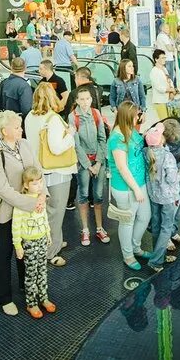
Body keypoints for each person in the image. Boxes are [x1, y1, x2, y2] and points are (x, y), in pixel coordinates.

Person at [0, 110, 44, 316]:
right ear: (4, 131)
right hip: (9, 214)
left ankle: (25, 285)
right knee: (6, 252)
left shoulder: (25, 145)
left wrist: (42, 196)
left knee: (27, 251)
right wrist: (29, 204)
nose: (21, 129)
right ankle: (4, 297)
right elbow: (1, 188)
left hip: (32, 210)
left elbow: (38, 171)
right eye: (17, 127)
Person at [24, 84, 75, 267]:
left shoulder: (30, 116)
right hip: (57, 172)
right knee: (56, 211)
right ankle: (50, 252)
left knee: (45, 211)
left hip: (39, 171)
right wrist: (70, 135)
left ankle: (56, 241)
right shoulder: (52, 119)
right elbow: (56, 148)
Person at [106, 101, 149, 271]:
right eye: (136, 115)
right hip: (126, 188)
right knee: (127, 222)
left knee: (145, 216)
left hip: (140, 182)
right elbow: (122, 168)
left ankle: (135, 247)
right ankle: (128, 255)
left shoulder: (131, 130)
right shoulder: (117, 138)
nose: (139, 117)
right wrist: (136, 189)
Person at [11, 166, 56, 319]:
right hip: (29, 243)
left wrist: (48, 234)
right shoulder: (22, 203)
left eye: (40, 183)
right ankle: (31, 303)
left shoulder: (40, 199)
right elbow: (16, 225)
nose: (39, 186)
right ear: (26, 185)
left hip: (42, 239)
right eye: (35, 184)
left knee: (42, 270)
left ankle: (43, 298)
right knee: (31, 273)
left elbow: (44, 217)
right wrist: (18, 245)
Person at [70, 87, 109, 246]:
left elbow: (102, 138)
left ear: (91, 100)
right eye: (82, 99)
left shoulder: (96, 114)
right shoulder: (73, 117)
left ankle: (99, 228)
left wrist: (99, 162)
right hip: (84, 163)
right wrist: (88, 165)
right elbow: (76, 145)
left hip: (97, 161)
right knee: (84, 195)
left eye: (88, 99)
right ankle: (85, 229)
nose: (85, 102)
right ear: (77, 101)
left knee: (99, 196)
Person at [144, 122, 180, 272]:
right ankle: (155, 262)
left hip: (154, 196)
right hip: (167, 198)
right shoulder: (168, 156)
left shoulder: (145, 152)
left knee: (157, 227)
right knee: (166, 229)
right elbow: (172, 179)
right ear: (161, 140)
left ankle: (160, 255)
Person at [149, 49, 173, 119]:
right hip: (160, 100)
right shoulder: (154, 71)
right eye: (162, 58)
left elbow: (169, 80)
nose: (164, 59)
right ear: (156, 59)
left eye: (165, 58)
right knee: (164, 121)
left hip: (167, 99)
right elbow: (159, 88)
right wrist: (171, 90)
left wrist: (172, 90)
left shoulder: (164, 69)